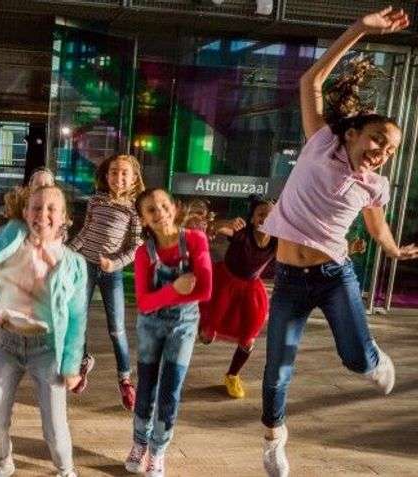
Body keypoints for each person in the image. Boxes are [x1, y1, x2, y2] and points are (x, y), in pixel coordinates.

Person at [257, 8, 417, 476]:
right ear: (352, 132)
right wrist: (360, 31)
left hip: (332, 276)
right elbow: (311, 80)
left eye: (390, 150)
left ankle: (370, 356)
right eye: (376, 140)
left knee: (355, 360)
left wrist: (389, 247)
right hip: (288, 279)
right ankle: (274, 439)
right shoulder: (320, 142)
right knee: (277, 370)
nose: (381, 152)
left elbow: (374, 224)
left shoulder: (376, 185)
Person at [0, 184, 87, 477]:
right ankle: (2, 461)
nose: (43, 214)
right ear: (26, 213)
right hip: (8, 344)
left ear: (65, 217)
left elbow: (78, 319)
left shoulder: (74, 264)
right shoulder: (11, 239)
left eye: (51, 208)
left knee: (55, 425)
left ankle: (66, 470)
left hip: (48, 349)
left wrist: (71, 366)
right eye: (36, 207)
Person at [125, 188, 212, 477]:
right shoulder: (142, 252)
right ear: (143, 219)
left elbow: (205, 289)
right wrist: (174, 289)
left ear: (174, 208)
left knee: (170, 389)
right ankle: (139, 444)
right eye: (150, 209)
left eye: (163, 205)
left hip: (184, 326)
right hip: (150, 325)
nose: (159, 211)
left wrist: (162, 295)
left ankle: (158, 451)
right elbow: (143, 302)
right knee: (147, 386)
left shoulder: (195, 240)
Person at [68, 154, 145, 409]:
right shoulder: (95, 201)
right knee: (77, 319)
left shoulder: (134, 209)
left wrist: (115, 263)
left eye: (124, 173)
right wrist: (67, 252)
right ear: (106, 175)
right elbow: (85, 233)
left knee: (117, 329)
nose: (118, 177)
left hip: (112, 272)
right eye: (114, 172)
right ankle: (82, 362)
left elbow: (135, 247)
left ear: (134, 179)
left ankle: (125, 380)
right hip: (86, 266)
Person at [198, 196, 277, 399]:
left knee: (249, 337)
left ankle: (232, 375)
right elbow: (214, 227)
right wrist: (224, 223)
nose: (265, 219)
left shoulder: (278, 240)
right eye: (260, 214)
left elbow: (305, 247)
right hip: (224, 281)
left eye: (270, 216)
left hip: (250, 289)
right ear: (252, 218)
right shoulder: (241, 232)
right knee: (207, 332)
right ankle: (206, 330)